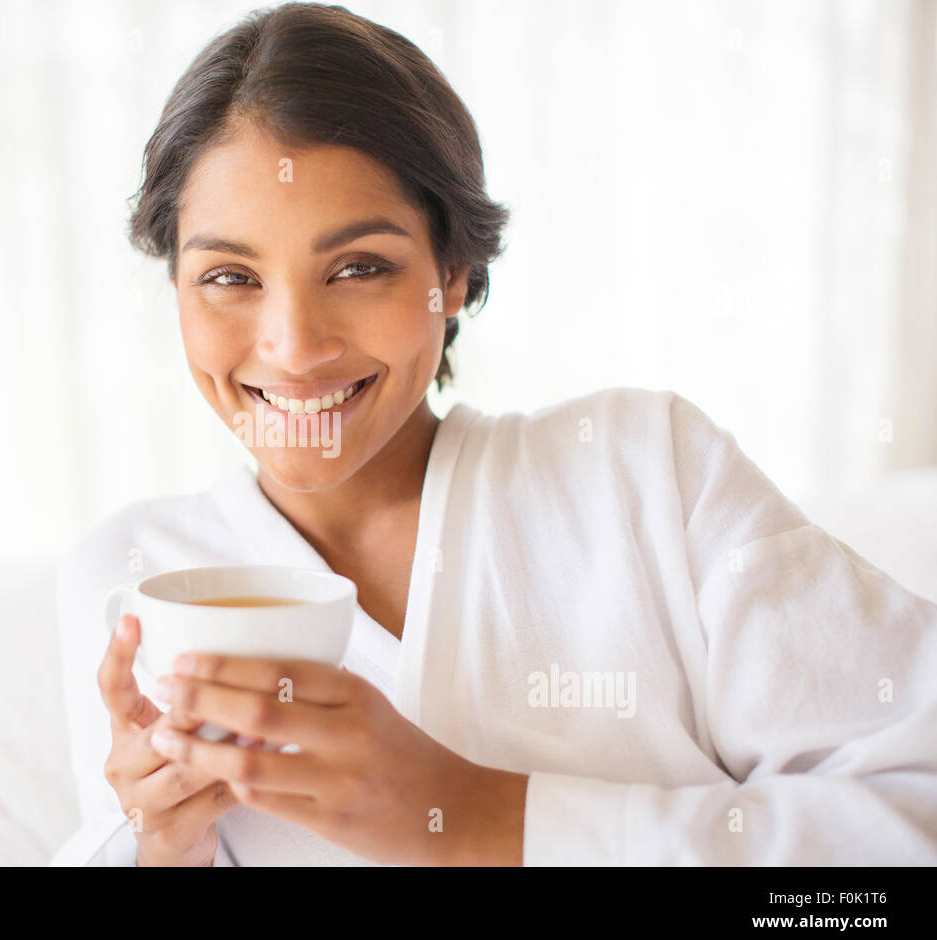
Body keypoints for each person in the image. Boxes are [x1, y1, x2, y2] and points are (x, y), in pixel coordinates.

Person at [51, 2, 937, 867]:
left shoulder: (643, 474)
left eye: (359, 267)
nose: (294, 348)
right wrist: (163, 855)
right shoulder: (133, 578)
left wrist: (478, 819)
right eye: (229, 275)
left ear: (454, 272)